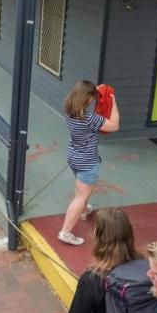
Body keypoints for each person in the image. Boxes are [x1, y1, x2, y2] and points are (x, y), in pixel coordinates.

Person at [58, 80, 120, 246]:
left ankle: (84, 211)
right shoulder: (89, 118)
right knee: (81, 196)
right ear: (86, 99)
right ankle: (66, 231)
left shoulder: (69, 110)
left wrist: (97, 91)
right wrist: (112, 102)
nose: (93, 101)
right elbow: (114, 126)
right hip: (87, 162)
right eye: (92, 98)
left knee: (81, 190)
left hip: (73, 157)